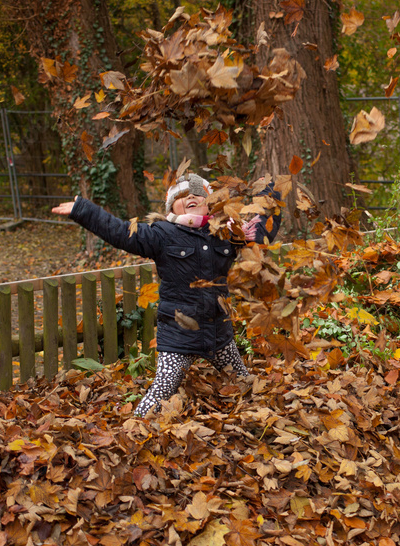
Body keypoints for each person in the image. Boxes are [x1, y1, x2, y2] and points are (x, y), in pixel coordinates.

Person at [51, 174, 280, 417]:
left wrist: (270, 193)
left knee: (243, 383)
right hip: (178, 337)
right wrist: (83, 210)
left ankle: (255, 419)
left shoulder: (226, 232)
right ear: (171, 207)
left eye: (198, 193)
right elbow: (120, 232)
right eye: (181, 196)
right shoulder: (162, 234)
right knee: (163, 389)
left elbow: (261, 230)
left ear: (211, 201)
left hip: (218, 334)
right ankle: (136, 428)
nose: (191, 196)